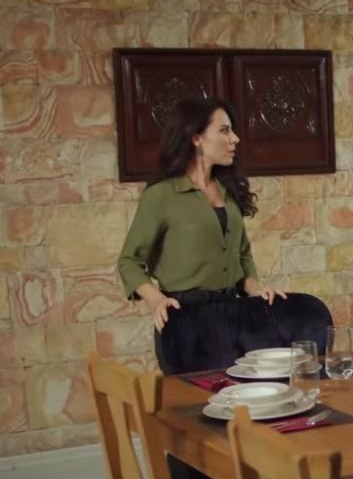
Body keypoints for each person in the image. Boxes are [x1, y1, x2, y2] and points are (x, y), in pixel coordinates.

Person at [117, 96, 286, 373]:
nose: (235, 138)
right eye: (224, 130)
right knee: (195, 399)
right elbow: (129, 261)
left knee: (243, 393)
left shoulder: (228, 192)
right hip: (186, 322)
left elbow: (242, 254)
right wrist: (157, 300)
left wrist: (256, 289)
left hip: (234, 317)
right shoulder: (161, 196)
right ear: (196, 138)